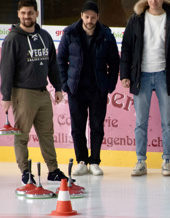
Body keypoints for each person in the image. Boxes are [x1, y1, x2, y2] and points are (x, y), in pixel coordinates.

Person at [0, 0, 72, 184]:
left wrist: (57, 87)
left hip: (43, 93)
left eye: (30, 13)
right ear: (18, 14)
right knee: (22, 134)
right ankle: (25, 172)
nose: (27, 16)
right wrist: (6, 96)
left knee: (47, 134)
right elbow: (6, 69)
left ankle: (53, 170)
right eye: (23, 13)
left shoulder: (45, 36)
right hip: (23, 94)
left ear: (36, 14)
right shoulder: (12, 39)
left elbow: (53, 64)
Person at [120, 0, 170, 176]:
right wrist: (125, 74)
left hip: (165, 75)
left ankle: (167, 161)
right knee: (140, 122)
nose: (154, 1)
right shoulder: (136, 20)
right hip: (141, 76)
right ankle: (140, 161)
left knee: (168, 122)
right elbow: (126, 48)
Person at [57, 1, 120, 176]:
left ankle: (95, 161)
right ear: (81, 16)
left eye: (93, 17)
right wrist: (65, 85)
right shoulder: (70, 33)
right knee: (77, 127)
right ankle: (82, 161)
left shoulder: (106, 35)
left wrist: (110, 85)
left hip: (97, 89)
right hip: (76, 89)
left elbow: (114, 62)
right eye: (87, 17)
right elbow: (60, 60)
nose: (90, 20)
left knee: (97, 126)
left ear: (98, 17)